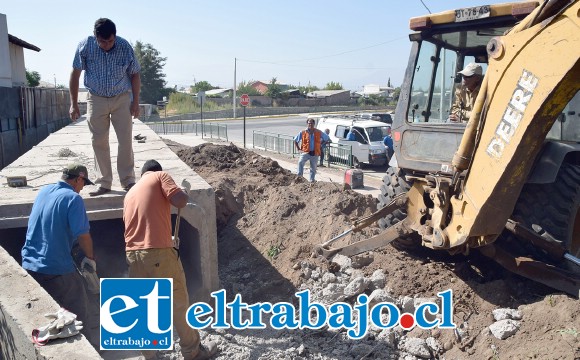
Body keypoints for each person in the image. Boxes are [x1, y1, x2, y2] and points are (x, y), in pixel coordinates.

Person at [123, 160, 217, 360]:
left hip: (133, 254)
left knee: (142, 305)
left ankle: (149, 354)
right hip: (157, 254)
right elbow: (180, 200)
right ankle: (192, 351)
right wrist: (182, 191)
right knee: (178, 302)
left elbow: (142, 226)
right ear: (156, 171)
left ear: (142, 174)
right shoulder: (160, 177)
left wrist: (167, 240)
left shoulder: (130, 193)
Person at [21, 164, 96, 338]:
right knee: (79, 308)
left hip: (30, 263)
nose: (82, 189)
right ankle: (89, 348)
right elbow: (83, 235)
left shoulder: (44, 191)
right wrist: (90, 259)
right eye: (83, 183)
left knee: (50, 310)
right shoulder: (73, 198)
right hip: (55, 266)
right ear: (78, 179)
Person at [69, 18, 141, 197]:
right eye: (103, 41)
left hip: (121, 98)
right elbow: (75, 74)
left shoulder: (124, 47)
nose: (107, 45)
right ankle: (104, 182)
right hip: (96, 98)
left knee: (125, 140)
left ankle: (128, 180)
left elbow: (135, 75)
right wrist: (74, 103)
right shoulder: (85, 46)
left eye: (110, 41)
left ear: (115, 36)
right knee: (99, 141)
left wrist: (136, 101)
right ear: (95, 37)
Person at [294, 118, 330, 183]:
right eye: (309, 123)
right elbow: (295, 140)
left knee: (313, 168)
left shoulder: (318, 132)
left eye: (311, 123)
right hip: (305, 152)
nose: (310, 124)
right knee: (300, 162)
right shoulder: (303, 132)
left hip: (315, 153)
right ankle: (300, 177)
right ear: (307, 124)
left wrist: (321, 145)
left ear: (314, 124)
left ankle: (312, 180)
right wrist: (299, 149)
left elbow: (327, 138)